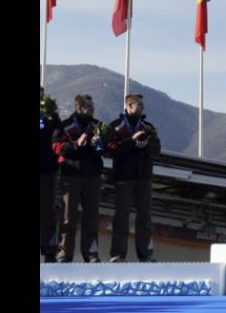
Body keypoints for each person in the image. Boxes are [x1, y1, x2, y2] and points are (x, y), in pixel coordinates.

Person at [107, 93, 161, 262]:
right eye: (140, 105)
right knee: (121, 216)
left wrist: (145, 145)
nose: (143, 108)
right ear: (129, 105)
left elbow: (156, 150)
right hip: (124, 177)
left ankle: (145, 254)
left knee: (144, 217)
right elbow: (110, 149)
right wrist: (132, 141)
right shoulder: (116, 126)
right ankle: (118, 254)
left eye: (143, 106)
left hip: (143, 177)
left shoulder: (148, 127)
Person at [52, 94, 105, 262]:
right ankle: (64, 254)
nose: (92, 109)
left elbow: (107, 149)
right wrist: (75, 144)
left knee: (92, 216)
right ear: (79, 107)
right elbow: (57, 147)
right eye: (89, 107)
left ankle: (91, 253)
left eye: (93, 106)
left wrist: (99, 145)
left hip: (92, 176)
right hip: (71, 175)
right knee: (68, 216)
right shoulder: (66, 125)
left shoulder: (97, 126)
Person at [40, 86, 61, 263]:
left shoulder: (51, 116)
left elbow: (57, 136)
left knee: (47, 212)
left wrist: (47, 121)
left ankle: (49, 251)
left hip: (47, 170)